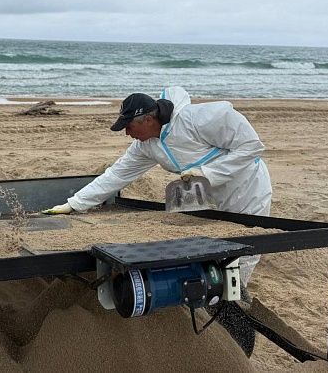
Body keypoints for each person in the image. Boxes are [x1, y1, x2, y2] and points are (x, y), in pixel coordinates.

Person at [42, 86, 271, 286]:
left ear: (148, 120)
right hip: (207, 195)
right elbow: (116, 175)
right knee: (212, 249)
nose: (127, 133)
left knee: (243, 251)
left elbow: (251, 146)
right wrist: (74, 204)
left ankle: (237, 298)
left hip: (246, 187)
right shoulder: (146, 146)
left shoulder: (199, 118)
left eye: (129, 127)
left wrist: (207, 173)